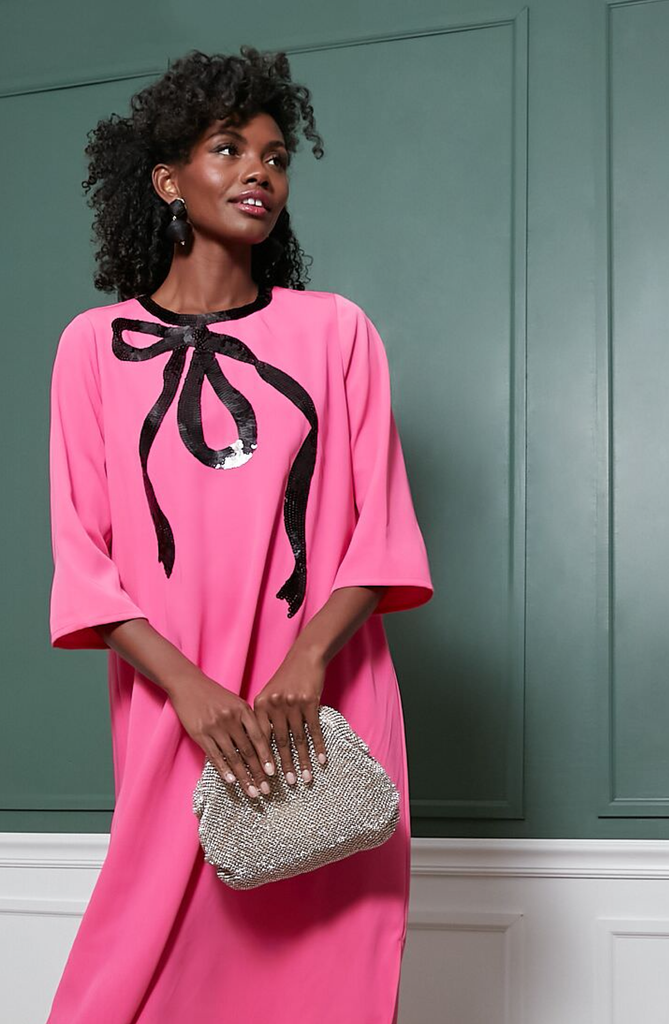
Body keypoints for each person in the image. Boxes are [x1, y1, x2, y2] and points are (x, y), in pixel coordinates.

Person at [45, 45, 434, 1024]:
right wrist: (189, 689)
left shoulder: (337, 332)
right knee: (135, 969)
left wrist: (306, 663)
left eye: (275, 154)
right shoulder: (91, 349)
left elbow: (377, 529)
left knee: (328, 973)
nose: (261, 170)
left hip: (322, 700)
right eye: (229, 149)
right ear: (169, 179)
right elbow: (84, 559)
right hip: (178, 701)